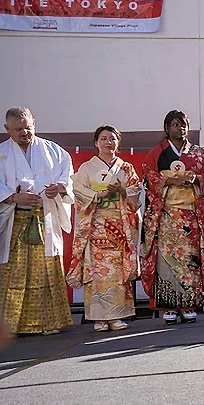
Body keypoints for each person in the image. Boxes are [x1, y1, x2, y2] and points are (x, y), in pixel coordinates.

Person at [0, 107, 74, 335]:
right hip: (15, 219)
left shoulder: (53, 150)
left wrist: (60, 188)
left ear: (34, 124)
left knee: (47, 270)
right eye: (19, 129)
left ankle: (50, 323)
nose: (25, 133)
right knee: (14, 271)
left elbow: (68, 177)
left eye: (28, 127)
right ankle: (10, 326)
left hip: (45, 216)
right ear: (7, 129)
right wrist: (14, 197)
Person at [141, 110, 204, 324]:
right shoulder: (157, 152)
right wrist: (169, 181)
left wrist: (195, 178)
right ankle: (169, 306)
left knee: (190, 260)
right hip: (166, 216)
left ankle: (189, 303)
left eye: (183, 125)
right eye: (175, 125)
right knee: (166, 260)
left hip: (190, 216)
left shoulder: (198, 153)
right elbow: (148, 176)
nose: (180, 129)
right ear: (166, 128)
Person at [67, 125, 141, 332]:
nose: (108, 142)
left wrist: (122, 190)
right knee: (97, 270)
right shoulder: (87, 168)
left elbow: (136, 194)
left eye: (112, 138)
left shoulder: (126, 168)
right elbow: (78, 191)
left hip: (119, 223)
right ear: (96, 143)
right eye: (103, 138)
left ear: (118, 142)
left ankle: (118, 315)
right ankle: (98, 317)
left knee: (117, 271)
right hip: (96, 223)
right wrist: (96, 195)